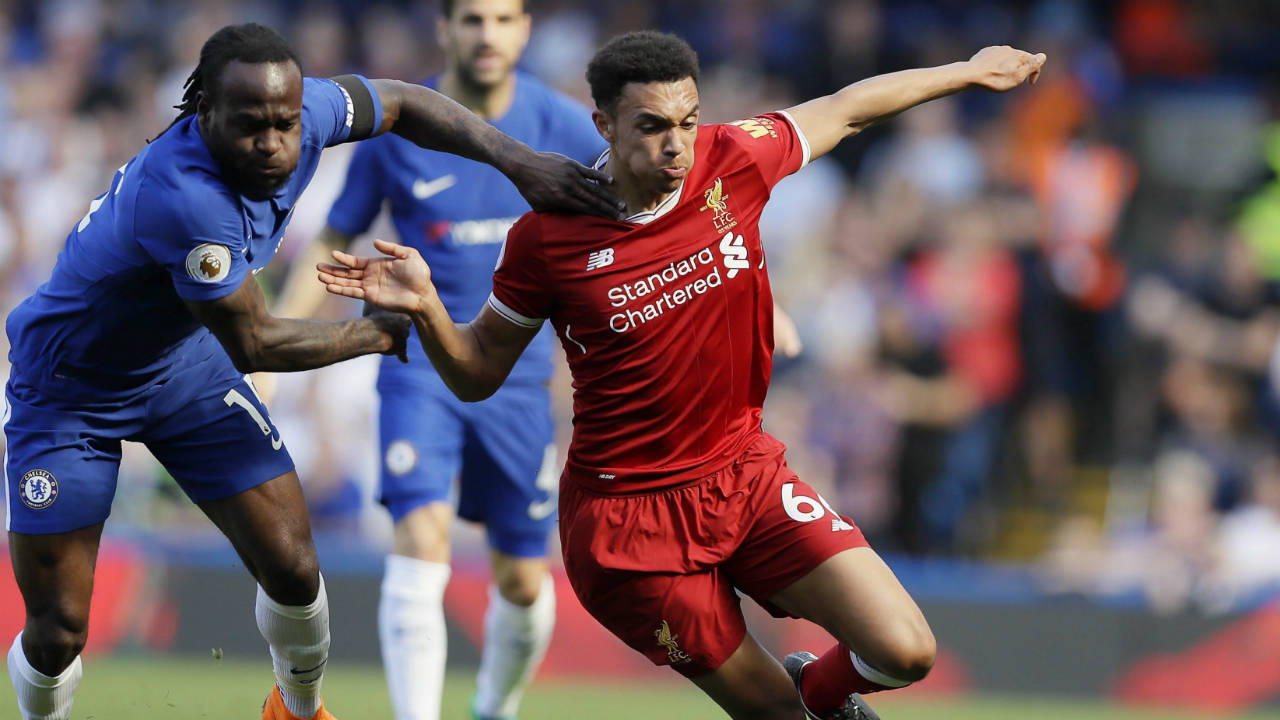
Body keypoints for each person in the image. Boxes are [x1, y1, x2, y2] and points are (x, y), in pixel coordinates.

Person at [319, 31, 1044, 720]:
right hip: (628, 529)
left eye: (689, 120)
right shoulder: (546, 238)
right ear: (602, 123)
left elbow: (846, 109)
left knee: (906, 649)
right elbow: (477, 372)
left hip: (744, 474)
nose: (677, 144)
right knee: (773, 715)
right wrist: (425, 308)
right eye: (653, 125)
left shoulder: (733, 159)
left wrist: (969, 71)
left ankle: (814, 693)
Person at [2, 22, 618, 720]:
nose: (272, 144)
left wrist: (518, 161)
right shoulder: (185, 197)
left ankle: (297, 712)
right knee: (59, 631)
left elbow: (405, 102)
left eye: (284, 124)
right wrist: (383, 331)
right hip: (70, 391)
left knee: (295, 568)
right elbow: (255, 343)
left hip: (180, 365)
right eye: (249, 127)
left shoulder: (309, 110)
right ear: (204, 114)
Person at [274, 1, 601, 718]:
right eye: (473, 18)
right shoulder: (401, 129)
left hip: (517, 383)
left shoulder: (566, 127)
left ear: (525, 30)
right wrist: (271, 339)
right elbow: (336, 234)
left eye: (504, 18)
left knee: (522, 579)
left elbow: (645, 215)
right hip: (418, 365)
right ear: (446, 28)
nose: (488, 34)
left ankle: (495, 705)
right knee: (420, 538)